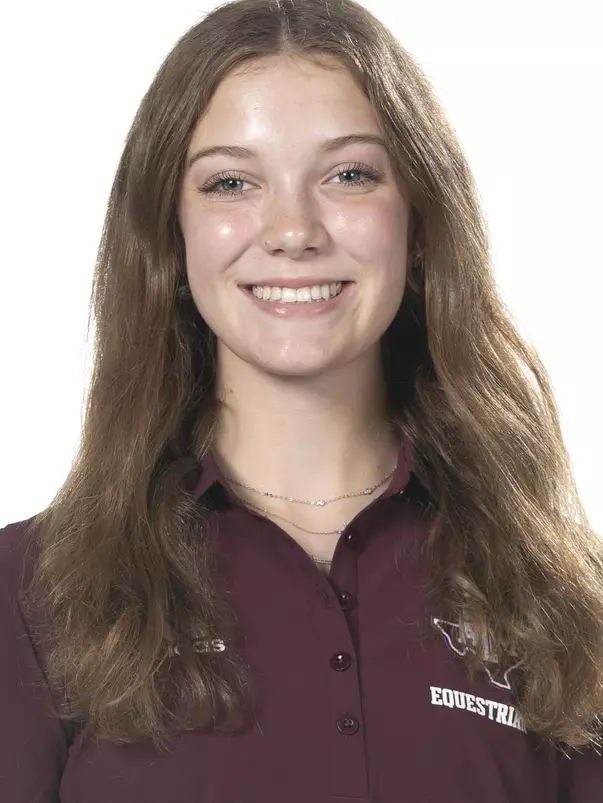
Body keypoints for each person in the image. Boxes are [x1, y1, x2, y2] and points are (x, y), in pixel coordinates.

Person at [1, 0, 602, 800]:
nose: (292, 229)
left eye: (348, 173)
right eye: (232, 182)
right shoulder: (28, 594)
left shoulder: (564, 599)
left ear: (418, 221)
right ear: (170, 234)